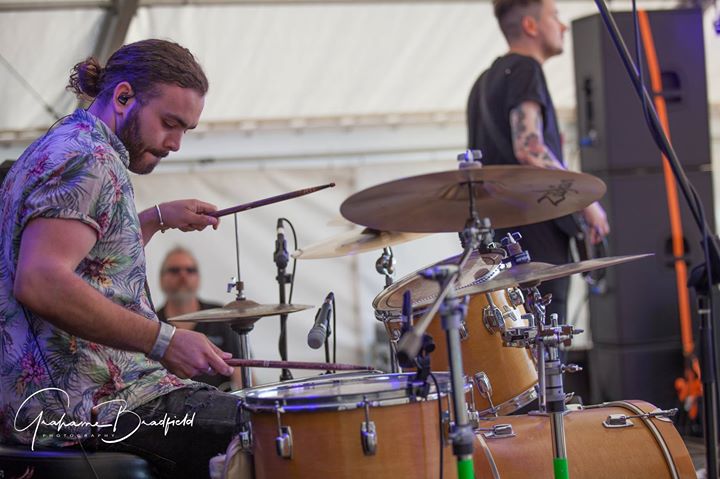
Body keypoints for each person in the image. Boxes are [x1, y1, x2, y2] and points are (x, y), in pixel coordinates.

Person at [0, 39, 241, 479]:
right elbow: (40, 280)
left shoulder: (63, 144)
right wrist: (163, 340)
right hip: (91, 407)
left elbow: (91, 266)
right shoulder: (88, 159)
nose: (176, 143)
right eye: (169, 123)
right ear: (124, 96)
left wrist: (154, 219)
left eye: (186, 130)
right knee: (268, 427)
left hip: (80, 398)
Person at [467, 0, 610, 320]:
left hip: (500, 239)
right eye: (555, 16)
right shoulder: (525, 69)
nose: (563, 26)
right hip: (537, 237)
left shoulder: (483, 83)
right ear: (530, 26)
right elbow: (530, 150)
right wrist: (585, 200)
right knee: (547, 337)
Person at [156, 246, 243, 390]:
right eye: (174, 270)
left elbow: (240, 369)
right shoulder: (151, 322)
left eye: (190, 270)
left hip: (220, 401)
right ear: (161, 279)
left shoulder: (221, 316)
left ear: (199, 278)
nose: (183, 275)